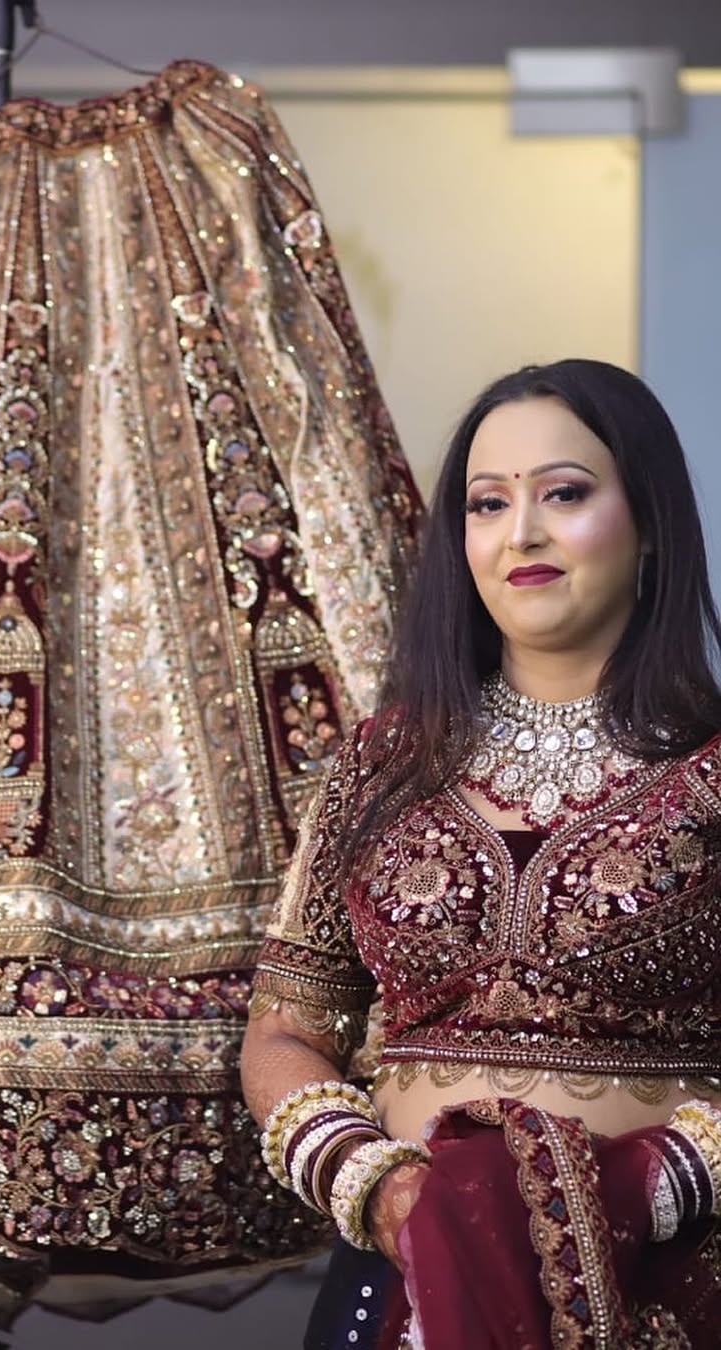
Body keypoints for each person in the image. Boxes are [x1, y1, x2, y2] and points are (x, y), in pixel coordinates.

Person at [241, 358, 721, 1349]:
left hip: (662, 1279)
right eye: (488, 503)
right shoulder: (382, 767)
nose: (523, 533)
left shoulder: (711, 770)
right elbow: (286, 1029)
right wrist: (377, 1187)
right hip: (401, 1276)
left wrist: (649, 1187)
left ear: (651, 524)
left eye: (566, 494)